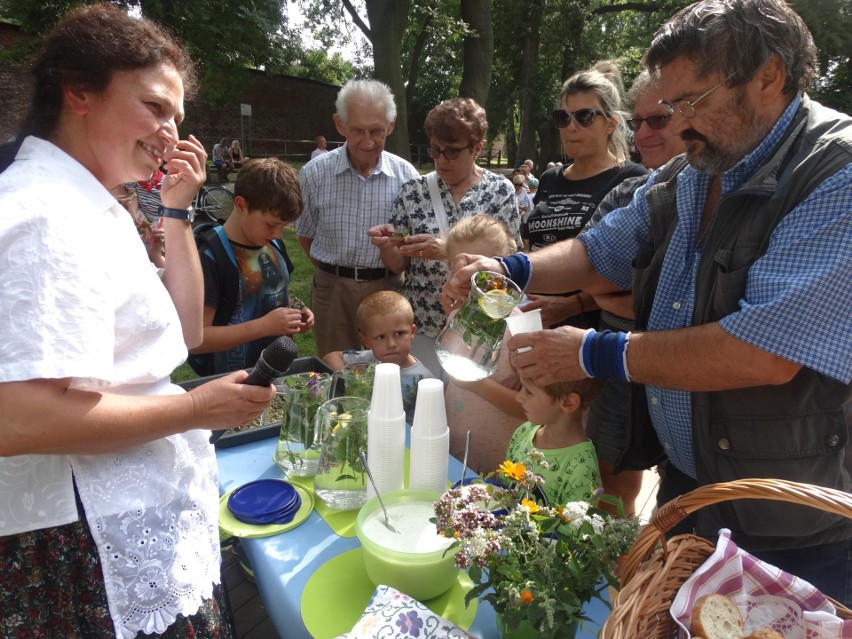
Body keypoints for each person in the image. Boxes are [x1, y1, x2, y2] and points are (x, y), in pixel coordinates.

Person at [443, 0, 852, 605]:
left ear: (769, 76)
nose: (678, 125)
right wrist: (508, 266)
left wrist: (595, 353)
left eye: (692, 102)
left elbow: (763, 352)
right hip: (692, 489)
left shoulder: (834, 174)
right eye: (671, 106)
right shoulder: (701, 167)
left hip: (787, 521)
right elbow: (600, 248)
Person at [0, 5, 276, 637]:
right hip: (85, 546)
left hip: (122, 522)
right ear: (79, 92)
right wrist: (196, 408)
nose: (171, 132)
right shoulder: (45, 211)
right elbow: (15, 416)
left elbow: (180, 338)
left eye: (177, 116)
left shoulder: (92, 201)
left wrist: (176, 211)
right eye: (155, 107)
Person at [581, 69, 688, 517]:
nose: (643, 133)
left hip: (688, 379)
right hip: (617, 366)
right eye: (637, 122)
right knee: (612, 489)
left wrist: (626, 294)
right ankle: (614, 581)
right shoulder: (627, 192)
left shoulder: (724, 193)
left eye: (658, 121)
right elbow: (592, 276)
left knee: (681, 503)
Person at [368, 98, 520, 374]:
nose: (440, 161)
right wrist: (387, 244)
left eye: (451, 152)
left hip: (477, 327)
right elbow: (396, 265)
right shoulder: (414, 190)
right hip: (421, 324)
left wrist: (444, 250)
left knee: (467, 410)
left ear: (477, 148)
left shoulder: (500, 190)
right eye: (435, 150)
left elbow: (507, 263)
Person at [297, 79, 419, 357]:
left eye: (377, 130)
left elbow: (409, 245)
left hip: (387, 289)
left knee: (389, 371)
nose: (367, 141)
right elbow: (305, 234)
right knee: (336, 369)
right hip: (333, 290)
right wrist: (337, 273)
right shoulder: (314, 174)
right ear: (339, 125)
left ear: (391, 125)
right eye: (357, 130)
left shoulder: (407, 177)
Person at [522, 61, 646, 330]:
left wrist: (573, 305)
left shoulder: (632, 180)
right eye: (563, 118)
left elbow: (630, 271)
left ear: (610, 124)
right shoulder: (549, 179)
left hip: (591, 331)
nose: (570, 127)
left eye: (584, 116)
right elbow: (535, 245)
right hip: (533, 320)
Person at [190, 157, 313, 375]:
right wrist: (264, 326)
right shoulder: (211, 257)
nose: (278, 234)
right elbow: (197, 340)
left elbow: (270, 289)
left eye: (283, 226)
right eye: (271, 224)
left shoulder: (273, 244)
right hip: (230, 382)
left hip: (275, 371)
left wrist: (296, 308)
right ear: (240, 205)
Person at [443, 214, 526, 475]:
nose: (473, 283)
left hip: (502, 463)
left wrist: (476, 384)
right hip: (455, 451)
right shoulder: (456, 316)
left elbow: (532, 409)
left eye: (482, 272)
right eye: (462, 271)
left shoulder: (521, 329)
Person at [323, 290, 434, 422]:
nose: (391, 344)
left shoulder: (423, 379)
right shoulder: (370, 360)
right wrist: (351, 381)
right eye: (381, 337)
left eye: (399, 333)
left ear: (412, 332)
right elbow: (331, 357)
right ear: (366, 341)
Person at [508, 375, 604, 507]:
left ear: (568, 402)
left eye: (529, 392)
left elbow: (574, 526)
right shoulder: (523, 432)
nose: (518, 397)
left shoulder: (582, 472)